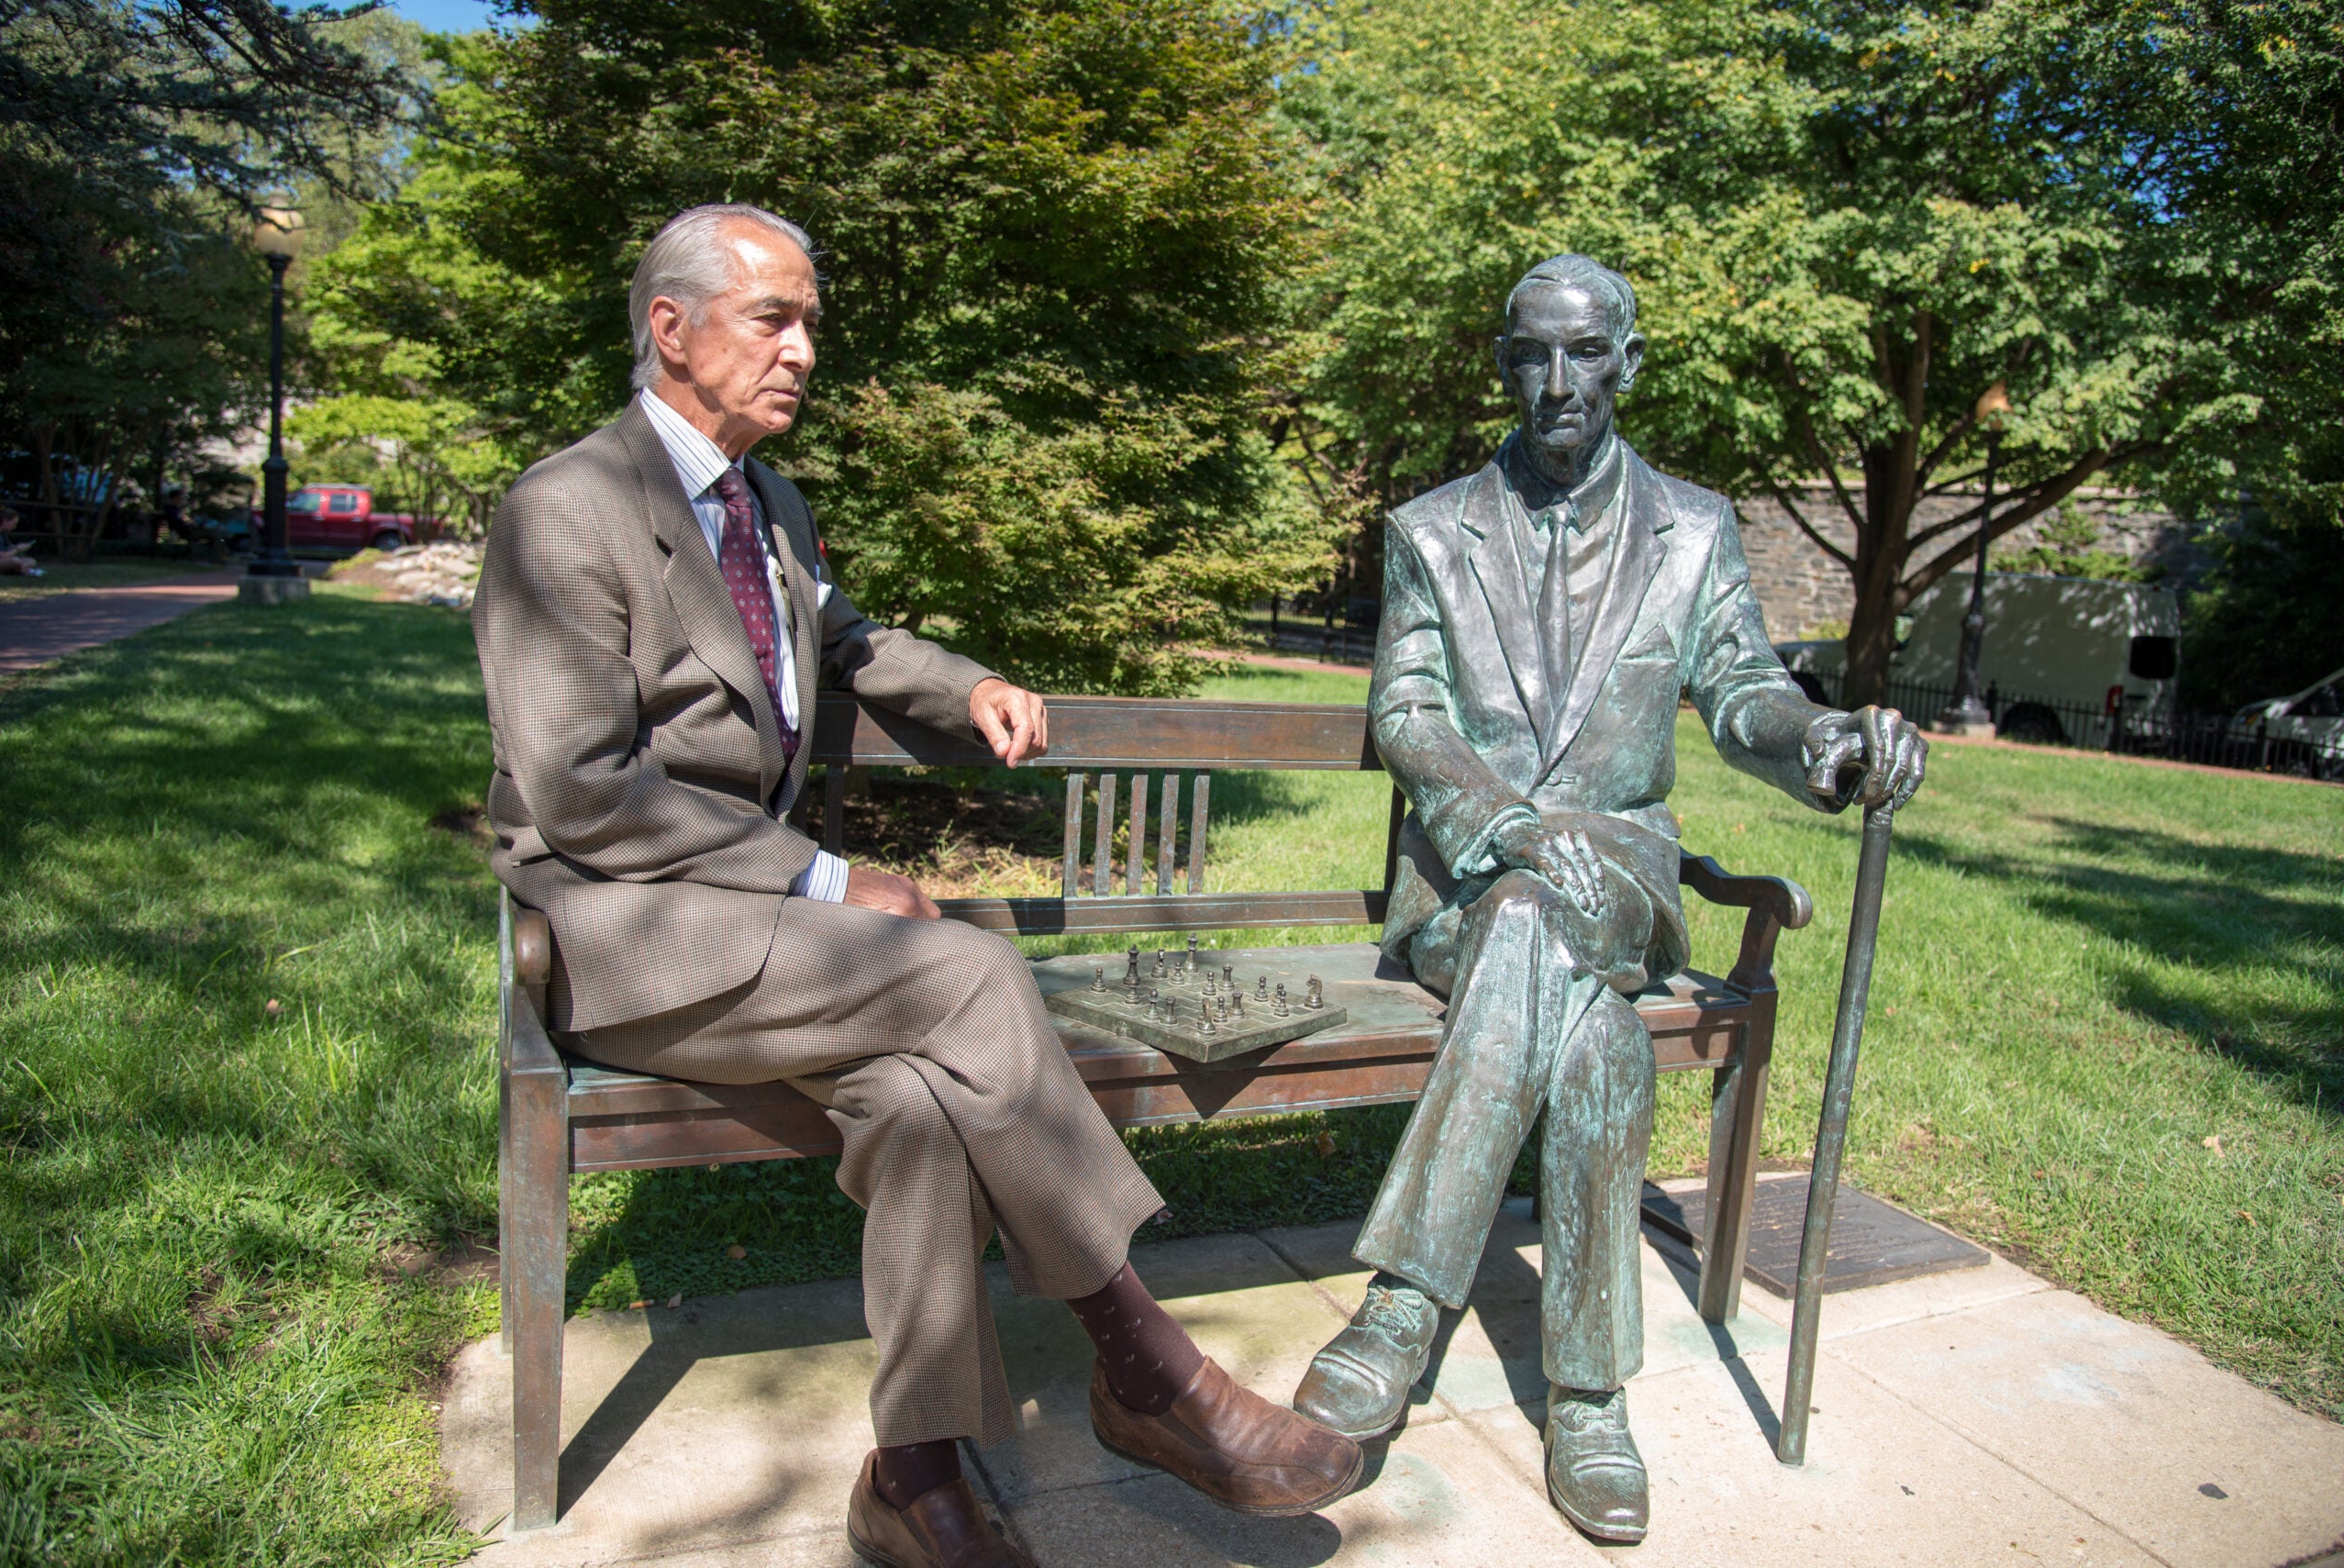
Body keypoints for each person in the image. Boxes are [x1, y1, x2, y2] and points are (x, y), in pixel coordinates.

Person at [471, 204, 1361, 1568]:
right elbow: (585, 790)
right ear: (672, 328)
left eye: (809, 320)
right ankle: (1151, 1370)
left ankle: (916, 1476)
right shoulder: (565, 511)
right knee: (974, 971)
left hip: (762, 950)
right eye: (776, 317)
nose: (805, 349)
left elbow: (850, 642)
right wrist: (826, 873)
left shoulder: (766, 505)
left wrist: (975, 686)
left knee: (923, 1099)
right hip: (629, 944)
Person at [1290, 254, 1926, 1545]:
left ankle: (1404, 1304)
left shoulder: (1695, 529)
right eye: (1532, 354)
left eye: (1586, 353)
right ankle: (1587, 1394)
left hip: (1624, 880)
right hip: (1471, 885)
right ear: (1504, 366)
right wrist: (1511, 824)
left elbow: (1744, 687)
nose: (1559, 380)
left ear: (1628, 361)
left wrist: (1820, 743)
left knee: (1551, 932)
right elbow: (1405, 709)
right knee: (1588, 1035)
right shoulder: (1430, 528)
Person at [0, 506, 42, 576]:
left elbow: (8, 549)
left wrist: (18, 546)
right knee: (15, 561)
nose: (14, 527)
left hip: (0, 561)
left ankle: (19, 570)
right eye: (14, 524)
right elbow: (2, 556)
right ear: (5, 520)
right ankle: (22, 571)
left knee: (31, 561)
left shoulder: (2, 533)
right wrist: (18, 549)